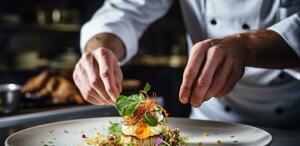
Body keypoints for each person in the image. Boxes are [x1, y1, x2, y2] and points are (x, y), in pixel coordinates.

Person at [73, 0, 300, 129]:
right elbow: (126, 9)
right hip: (209, 123)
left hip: (293, 124)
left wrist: (247, 45)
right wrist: (100, 49)